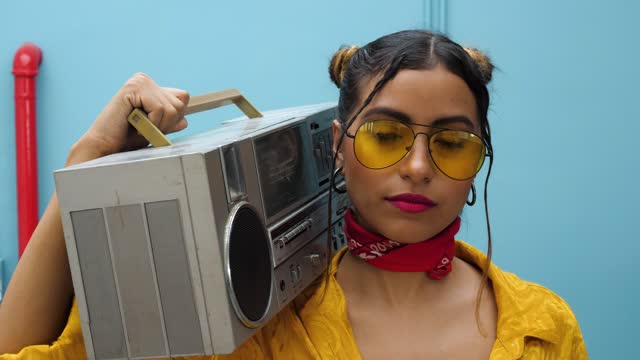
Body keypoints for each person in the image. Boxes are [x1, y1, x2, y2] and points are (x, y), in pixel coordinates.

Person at [0, 30, 587, 359]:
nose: (416, 167)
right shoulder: (256, 325)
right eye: (386, 135)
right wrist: (87, 160)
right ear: (336, 146)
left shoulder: (543, 328)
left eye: (452, 143)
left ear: (480, 158)